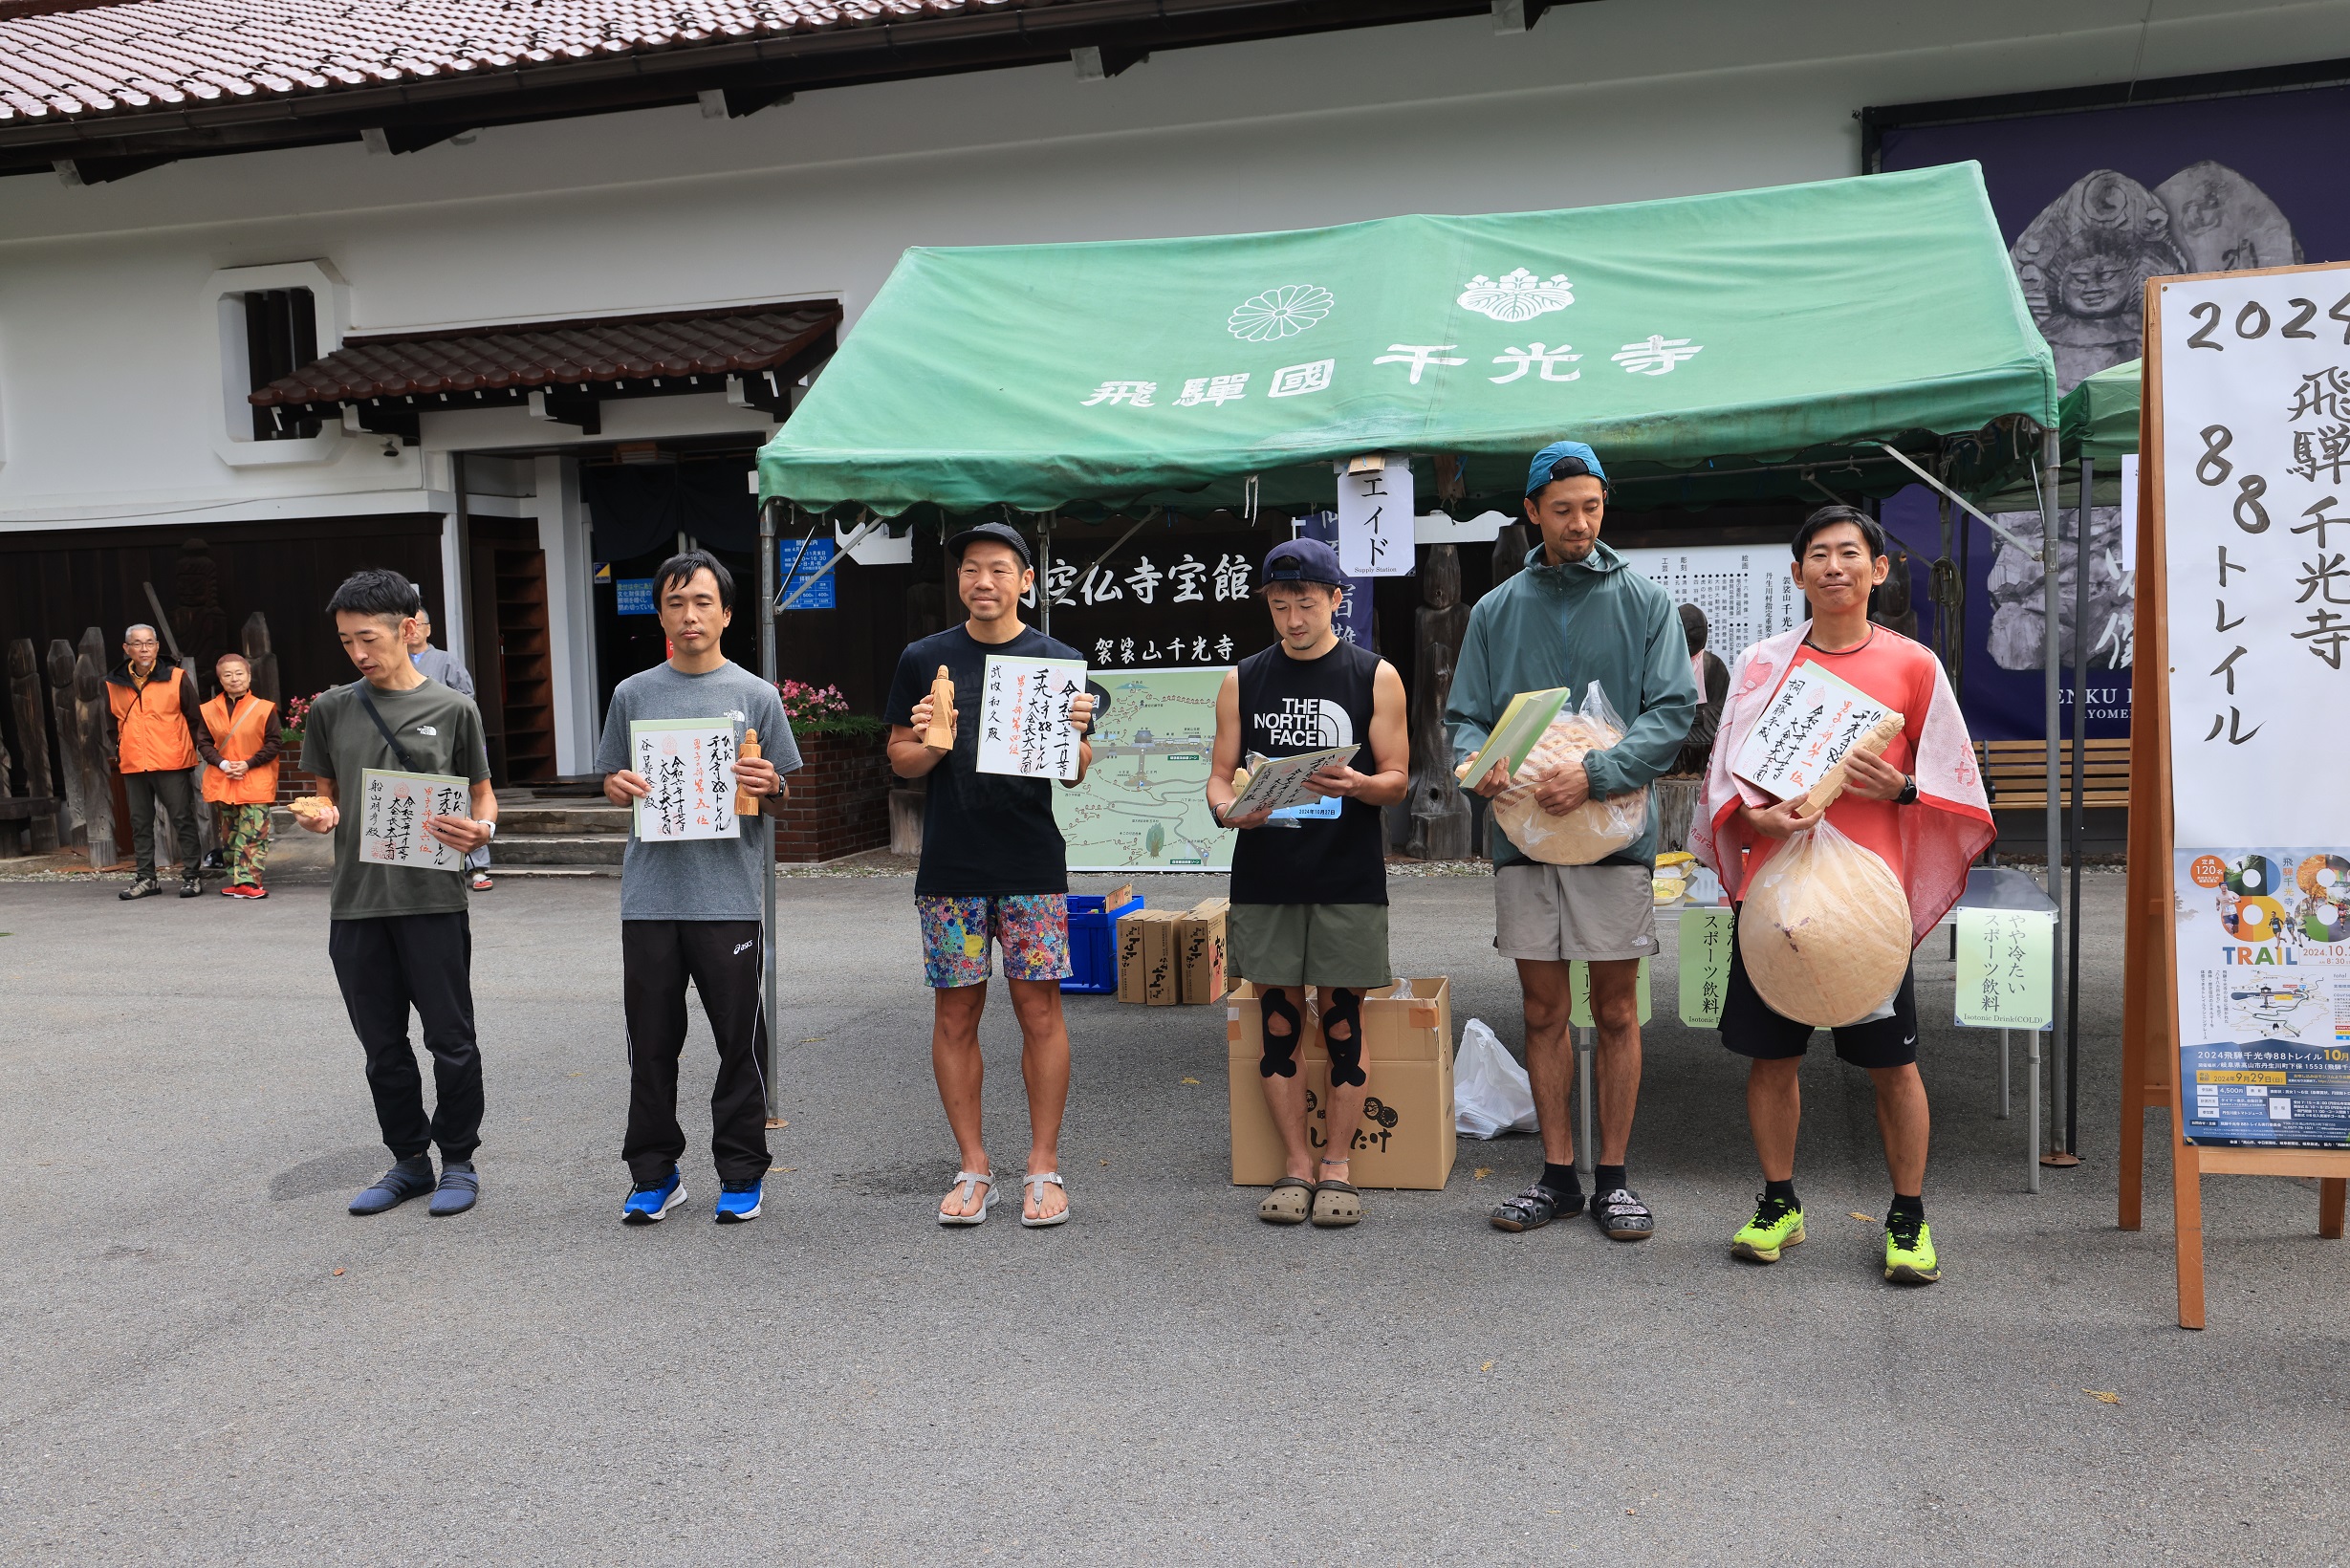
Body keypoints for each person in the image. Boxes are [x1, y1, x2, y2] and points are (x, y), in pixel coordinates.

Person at [1692, 506, 1993, 1285]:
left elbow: (1958, 783)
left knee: (1893, 1064)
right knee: (1771, 1058)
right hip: (1779, 899)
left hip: (1868, 905)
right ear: (1796, 575)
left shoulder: (1913, 667)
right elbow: (1728, 783)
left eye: (1850, 554)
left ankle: (1908, 1216)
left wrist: (1902, 788)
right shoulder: (1763, 665)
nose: (1834, 567)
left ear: (1879, 570)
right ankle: (1779, 1203)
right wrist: (1757, 817)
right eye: (1818, 556)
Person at [1447, 440, 1697, 1241]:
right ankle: (1557, 1174)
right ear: (1531, 514)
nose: (1580, 522)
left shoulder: (1645, 602)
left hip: (1615, 836)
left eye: (1591, 507)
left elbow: (1672, 712)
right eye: (1563, 510)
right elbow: (1464, 718)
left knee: (1617, 1009)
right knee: (1543, 1007)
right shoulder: (1495, 611)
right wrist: (1473, 764)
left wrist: (1597, 771)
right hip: (1523, 840)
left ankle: (1615, 1179)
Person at [885, 521, 1096, 1230]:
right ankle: (974, 1168)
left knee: (1040, 1011)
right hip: (951, 863)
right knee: (955, 1014)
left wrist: (1074, 732)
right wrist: (927, 737)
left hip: (1031, 860)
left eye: (1000, 570)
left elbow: (1071, 771)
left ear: (1026, 582)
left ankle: (1044, 1166)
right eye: (972, 569)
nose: (983, 581)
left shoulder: (1056, 661)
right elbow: (902, 762)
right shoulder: (925, 658)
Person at [1208, 538, 1408, 1228]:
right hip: (1266, 874)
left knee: (1345, 1021)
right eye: (1279, 603)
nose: (1293, 618)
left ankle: (1339, 1165)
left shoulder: (1374, 676)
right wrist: (1227, 809)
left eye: (1306, 603)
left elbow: (1396, 778)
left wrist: (1359, 783)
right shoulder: (1242, 679)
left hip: (1347, 875)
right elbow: (1218, 774)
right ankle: (1296, 1163)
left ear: (1335, 600)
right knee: (1280, 1021)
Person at [598, 550, 797, 1227]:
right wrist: (615, 785)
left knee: (737, 1042)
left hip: (730, 898)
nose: (690, 615)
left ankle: (741, 1171)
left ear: (727, 613)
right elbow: (612, 778)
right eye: (677, 603)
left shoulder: (756, 696)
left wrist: (772, 787)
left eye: (703, 602)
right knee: (650, 1044)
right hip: (650, 898)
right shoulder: (632, 693)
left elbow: (782, 794)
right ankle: (654, 1173)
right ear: (660, 613)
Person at [293, 569, 499, 1219]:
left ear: (409, 630)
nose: (359, 652)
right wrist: (319, 814)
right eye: (348, 640)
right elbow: (323, 793)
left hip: (433, 900)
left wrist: (482, 829)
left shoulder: (452, 708)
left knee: (451, 1039)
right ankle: (409, 1161)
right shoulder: (331, 709)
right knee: (381, 1046)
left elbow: (482, 793)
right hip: (356, 905)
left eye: (370, 637)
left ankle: (459, 1160)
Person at [107, 623, 205, 901]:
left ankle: (192, 876)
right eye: (137, 644)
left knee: (182, 819)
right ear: (127, 649)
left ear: (157, 646)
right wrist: (121, 749)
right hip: (134, 762)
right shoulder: (114, 682)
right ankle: (147, 878)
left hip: (171, 760)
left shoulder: (175, 677)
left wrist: (188, 750)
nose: (144, 649)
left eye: (149, 643)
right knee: (139, 822)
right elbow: (110, 722)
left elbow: (195, 718)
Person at [406, 609, 493, 892]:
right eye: (410, 625)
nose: (415, 630)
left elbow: (465, 696)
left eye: (420, 624)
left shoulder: (446, 660)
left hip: (446, 737)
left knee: (464, 799)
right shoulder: (396, 663)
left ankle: (478, 867)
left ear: (428, 629)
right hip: (410, 744)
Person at [193, 651, 281, 899]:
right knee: (229, 833)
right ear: (220, 680)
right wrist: (222, 764)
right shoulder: (208, 710)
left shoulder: (264, 709)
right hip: (224, 779)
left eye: (239, 673)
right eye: (227, 675)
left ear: (249, 676)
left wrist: (248, 763)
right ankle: (236, 879)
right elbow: (204, 742)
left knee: (253, 831)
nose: (234, 679)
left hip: (254, 778)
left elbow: (274, 742)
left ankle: (249, 882)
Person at [1674, 603, 1731, 776]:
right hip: (1673, 729)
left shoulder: (1714, 666)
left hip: (1703, 731)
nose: (1689, 640)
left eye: (1695, 633)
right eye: (1684, 634)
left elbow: (1727, 707)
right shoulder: (1661, 665)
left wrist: (1705, 714)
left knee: (1716, 742)